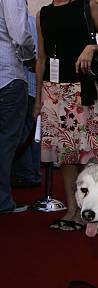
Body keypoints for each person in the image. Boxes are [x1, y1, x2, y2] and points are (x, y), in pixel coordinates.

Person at [35, 0, 98, 230]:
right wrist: (38, 98)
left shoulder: (88, 5)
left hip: (83, 88)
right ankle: (72, 209)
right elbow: (41, 58)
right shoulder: (43, 14)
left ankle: (90, 209)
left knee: (89, 152)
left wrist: (91, 47)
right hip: (53, 90)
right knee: (66, 154)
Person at [0, 0, 35, 214]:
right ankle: (2, 201)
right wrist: (29, 57)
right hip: (7, 75)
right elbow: (20, 34)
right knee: (5, 143)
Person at [11, 12, 40, 189]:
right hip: (31, 84)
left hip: (22, 82)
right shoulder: (31, 19)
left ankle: (26, 173)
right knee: (29, 132)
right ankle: (31, 173)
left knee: (21, 132)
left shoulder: (21, 20)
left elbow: (25, 48)